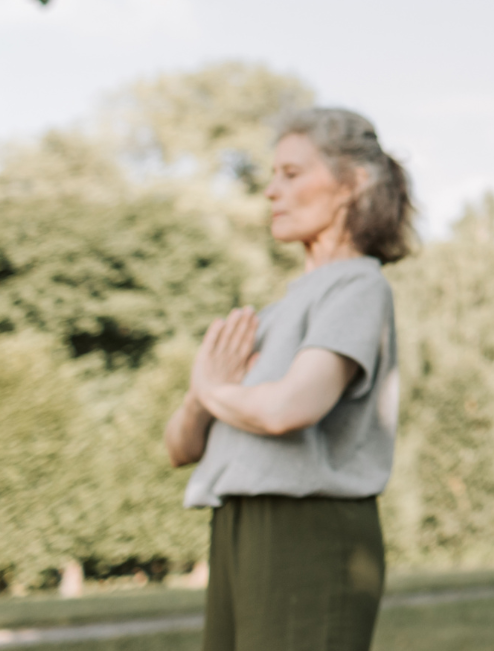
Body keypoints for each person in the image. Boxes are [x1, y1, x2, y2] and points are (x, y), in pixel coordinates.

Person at [164, 108, 413, 651]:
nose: (271, 192)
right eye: (272, 175)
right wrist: (203, 395)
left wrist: (212, 390)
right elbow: (179, 447)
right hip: (237, 526)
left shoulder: (357, 289)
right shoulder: (274, 314)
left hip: (309, 533)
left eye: (292, 174)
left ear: (352, 183)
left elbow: (288, 409)